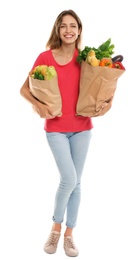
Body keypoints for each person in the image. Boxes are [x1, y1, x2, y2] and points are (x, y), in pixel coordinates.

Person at [20, 9, 93, 257]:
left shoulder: (86, 58)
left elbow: (102, 85)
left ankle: (69, 235)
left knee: (77, 182)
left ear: (79, 30)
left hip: (83, 128)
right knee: (69, 180)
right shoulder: (45, 57)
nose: (68, 30)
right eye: (63, 26)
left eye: (73, 25)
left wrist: (109, 103)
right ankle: (55, 228)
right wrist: (39, 106)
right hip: (56, 130)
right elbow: (24, 89)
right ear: (57, 30)